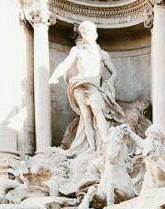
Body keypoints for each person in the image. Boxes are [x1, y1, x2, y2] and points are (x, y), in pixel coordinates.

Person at [49, 21, 126, 154]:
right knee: (86, 117)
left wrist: (109, 84)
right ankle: (91, 147)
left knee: (98, 112)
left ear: (95, 33)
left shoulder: (102, 54)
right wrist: (54, 76)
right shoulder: (76, 50)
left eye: (88, 31)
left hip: (94, 86)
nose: (86, 34)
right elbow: (65, 64)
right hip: (79, 85)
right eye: (83, 32)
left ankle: (105, 144)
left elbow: (114, 73)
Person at [126, 124, 165, 192]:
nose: (152, 142)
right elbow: (139, 141)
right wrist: (129, 132)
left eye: (155, 139)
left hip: (164, 188)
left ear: (162, 141)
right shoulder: (148, 145)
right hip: (149, 186)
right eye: (150, 138)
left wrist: (158, 160)